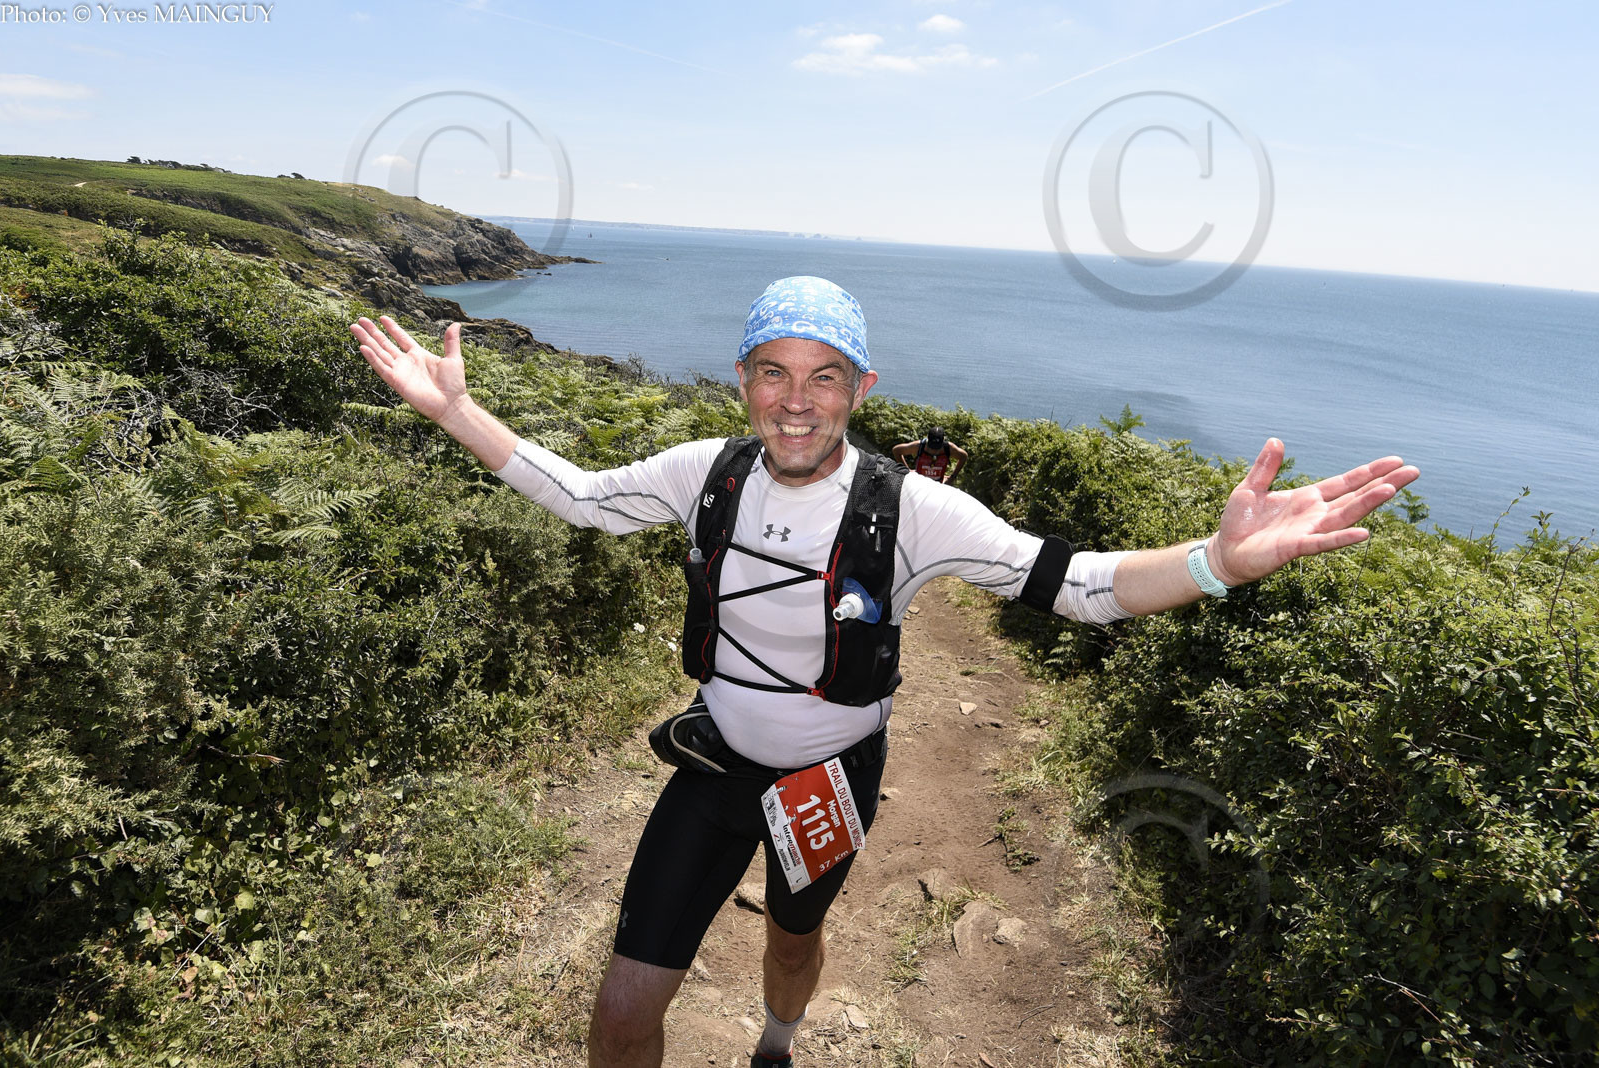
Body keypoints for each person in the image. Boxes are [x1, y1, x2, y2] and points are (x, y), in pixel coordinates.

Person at [349, 276, 1418, 1068]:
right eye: (774, 372)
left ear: (861, 389)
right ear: (743, 380)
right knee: (624, 1011)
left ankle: (776, 1042)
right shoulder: (703, 474)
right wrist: (452, 410)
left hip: (831, 781)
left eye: (824, 376)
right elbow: (581, 496)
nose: (796, 400)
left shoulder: (915, 507)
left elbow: (1080, 585)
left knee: (792, 937)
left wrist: (1216, 563)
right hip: (713, 769)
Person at [892, 425, 966, 483]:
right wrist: (907, 471)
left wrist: (952, 477)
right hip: (918, 485)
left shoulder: (949, 448)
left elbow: (963, 456)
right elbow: (896, 450)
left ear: (943, 440)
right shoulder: (919, 446)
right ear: (928, 439)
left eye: (937, 447)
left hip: (938, 486)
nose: (934, 450)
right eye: (932, 446)